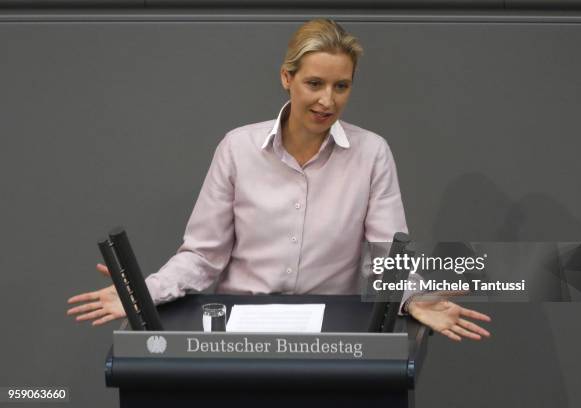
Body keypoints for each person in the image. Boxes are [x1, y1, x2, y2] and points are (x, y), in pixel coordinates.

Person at [67, 19, 490, 342]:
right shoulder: (237, 148)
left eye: (341, 86)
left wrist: (416, 299)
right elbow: (202, 257)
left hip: (333, 333)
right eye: (314, 83)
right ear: (287, 78)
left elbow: (384, 264)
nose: (328, 100)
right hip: (238, 330)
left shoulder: (372, 153)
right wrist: (145, 292)